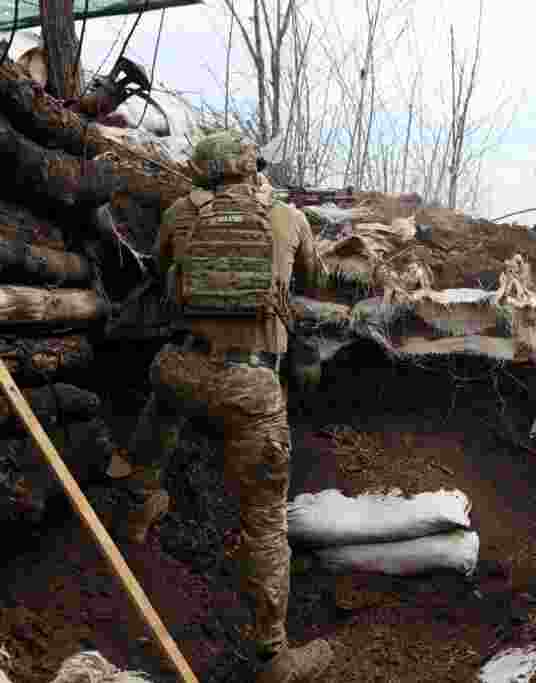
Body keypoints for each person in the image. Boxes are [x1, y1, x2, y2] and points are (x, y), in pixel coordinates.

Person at [109, 131, 332, 682]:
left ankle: (137, 503)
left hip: (184, 368)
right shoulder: (286, 217)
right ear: (251, 168)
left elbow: (160, 268)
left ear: (204, 170)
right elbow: (317, 278)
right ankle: (274, 654)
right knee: (264, 520)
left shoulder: (182, 212)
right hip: (249, 388)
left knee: (164, 395)